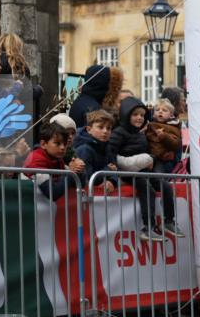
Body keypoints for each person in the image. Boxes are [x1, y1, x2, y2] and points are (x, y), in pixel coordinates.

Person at [109, 96, 185, 239]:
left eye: (142, 115)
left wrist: (153, 159)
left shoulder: (141, 133)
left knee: (166, 187)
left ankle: (169, 221)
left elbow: (149, 150)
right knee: (147, 189)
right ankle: (148, 227)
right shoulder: (119, 132)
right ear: (126, 115)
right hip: (127, 171)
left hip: (143, 170)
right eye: (135, 115)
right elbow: (111, 149)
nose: (139, 118)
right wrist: (113, 165)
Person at [23, 122, 84, 200]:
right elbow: (52, 193)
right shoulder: (36, 160)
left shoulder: (56, 159)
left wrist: (79, 169)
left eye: (65, 144)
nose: (62, 147)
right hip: (28, 207)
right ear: (43, 144)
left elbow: (80, 184)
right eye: (57, 143)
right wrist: (71, 172)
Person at [73, 110, 118, 195]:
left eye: (108, 128)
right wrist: (108, 170)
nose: (105, 131)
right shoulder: (84, 149)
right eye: (100, 127)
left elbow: (115, 169)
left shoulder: (107, 147)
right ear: (89, 129)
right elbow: (87, 178)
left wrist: (112, 181)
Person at [146, 98, 183, 175]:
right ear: (153, 114)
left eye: (164, 110)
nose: (160, 111)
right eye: (157, 110)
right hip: (151, 158)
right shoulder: (150, 125)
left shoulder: (173, 127)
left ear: (171, 115)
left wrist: (164, 136)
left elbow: (176, 143)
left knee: (158, 177)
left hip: (164, 160)